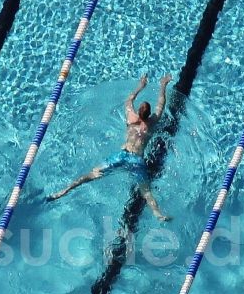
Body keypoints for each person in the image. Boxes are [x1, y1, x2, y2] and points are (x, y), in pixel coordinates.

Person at [47, 73, 172, 221]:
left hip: (122, 155)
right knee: (145, 191)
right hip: (137, 160)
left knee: (92, 174)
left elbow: (129, 99)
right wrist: (163, 85)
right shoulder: (151, 122)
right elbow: (161, 103)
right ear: (149, 114)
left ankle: (63, 191)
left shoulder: (131, 117)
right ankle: (158, 214)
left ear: (138, 111)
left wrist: (141, 85)